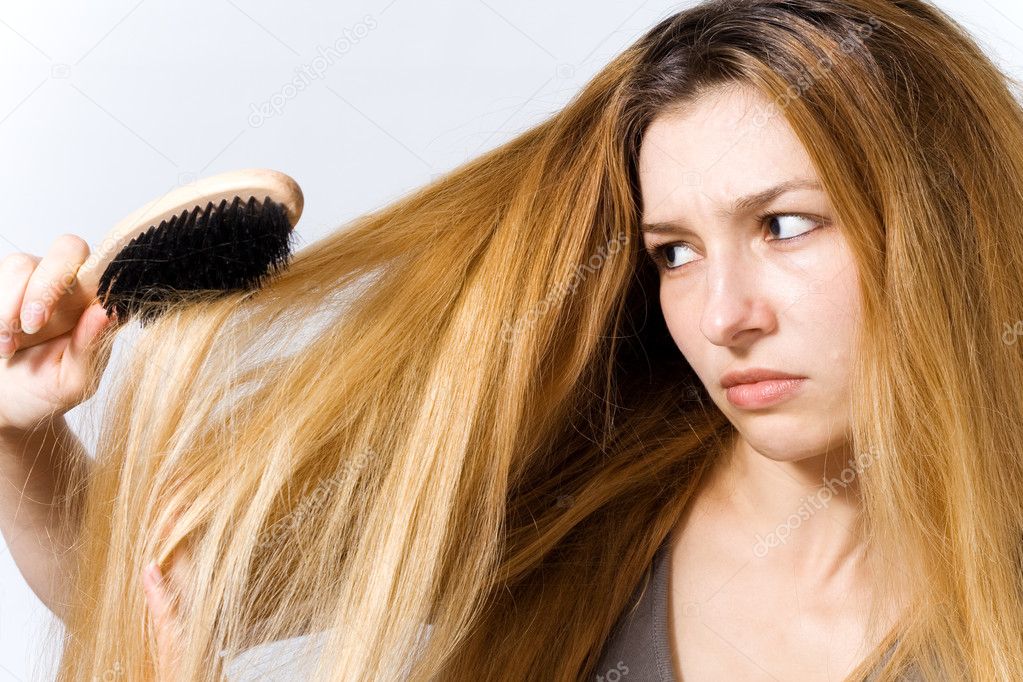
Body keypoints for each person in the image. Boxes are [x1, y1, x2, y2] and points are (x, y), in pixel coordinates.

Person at [3, 0, 1023, 679]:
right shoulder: (570, 490)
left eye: (784, 225)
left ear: (944, 224)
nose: (724, 316)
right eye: (673, 252)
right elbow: (144, 578)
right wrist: (19, 434)